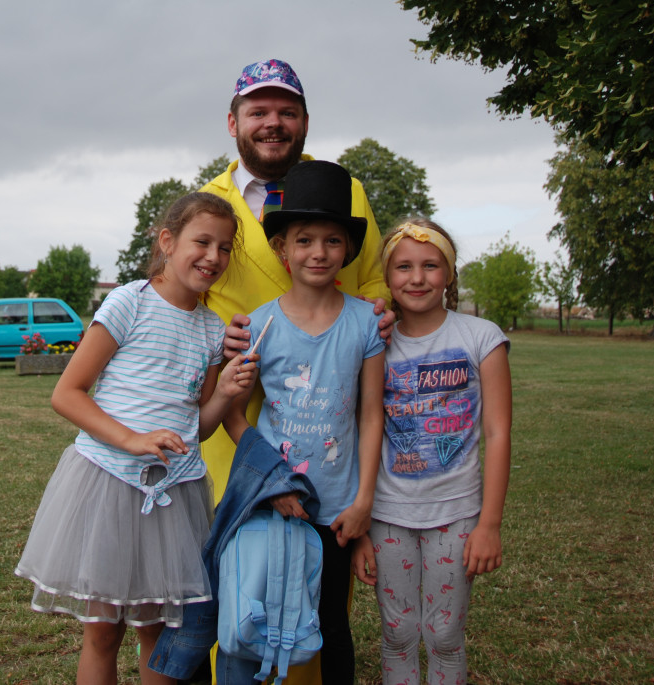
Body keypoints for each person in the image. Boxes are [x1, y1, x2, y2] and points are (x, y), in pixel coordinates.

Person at [15, 193, 259, 685]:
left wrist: (227, 392)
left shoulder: (212, 330)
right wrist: (130, 439)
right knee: (103, 633)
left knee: (158, 634)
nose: (214, 256)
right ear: (168, 241)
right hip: (108, 485)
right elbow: (68, 394)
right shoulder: (129, 301)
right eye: (202, 242)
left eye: (225, 248)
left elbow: (199, 425)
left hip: (173, 498)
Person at [221, 161, 386, 684]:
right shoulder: (258, 325)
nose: (319, 252)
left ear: (349, 250)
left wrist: (362, 504)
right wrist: (270, 486)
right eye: (305, 240)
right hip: (272, 507)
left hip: (337, 511)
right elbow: (232, 415)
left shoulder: (366, 323)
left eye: (333, 240)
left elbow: (370, 412)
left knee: (333, 626)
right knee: (257, 622)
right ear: (282, 249)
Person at [199, 58, 393, 502]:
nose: (274, 124)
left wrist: (382, 310)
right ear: (233, 122)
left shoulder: (349, 192)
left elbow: (375, 280)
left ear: (305, 122)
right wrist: (216, 338)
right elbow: (183, 302)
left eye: (287, 113)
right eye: (258, 112)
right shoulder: (206, 204)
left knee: (323, 557)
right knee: (242, 561)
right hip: (234, 421)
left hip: (327, 425)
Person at [352, 218, 512, 685]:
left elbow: (498, 433)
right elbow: (361, 429)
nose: (416, 278)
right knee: (398, 632)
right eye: (403, 267)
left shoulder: (481, 337)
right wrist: (361, 529)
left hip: (457, 514)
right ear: (387, 274)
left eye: (430, 266)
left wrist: (490, 524)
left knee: (445, 635)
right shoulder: (372, 341)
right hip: (387, 514)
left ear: (450, 273)